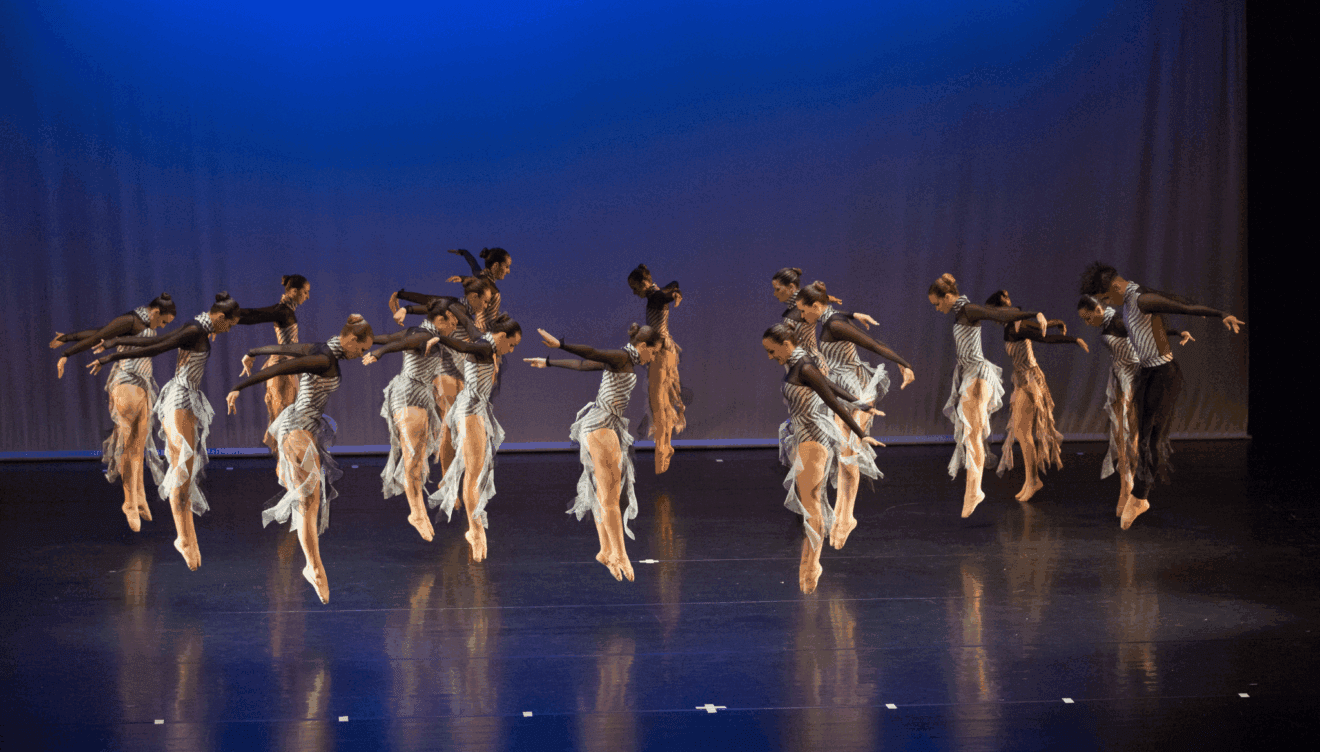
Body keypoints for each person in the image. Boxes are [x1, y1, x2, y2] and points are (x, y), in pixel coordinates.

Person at [1078, 263, 1243, 529]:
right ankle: (1138, 495)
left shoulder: (1141, 299)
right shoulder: (1129, 302)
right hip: (1147, 374)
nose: (1107, 304)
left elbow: (1183, 307)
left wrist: (1221, 314)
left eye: (1106, 298)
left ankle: (1140, 496)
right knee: (1142, 437)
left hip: (1164, 374)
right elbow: (1168, 306)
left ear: (1115, 287)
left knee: (1151, 439)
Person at [226, 314, 375, 603]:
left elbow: (287, 349)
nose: (361, 355)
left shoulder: (324, 348)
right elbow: (282, 366)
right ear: (350, 339)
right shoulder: (323, 358)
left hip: (306, 427)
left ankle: (313, 566)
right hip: (295, 427)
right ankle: (314, 568)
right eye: (362, 349)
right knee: (308, 499)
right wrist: (239, 387)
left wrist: (253, 351)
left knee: (312, 499)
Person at [90, 293, 242, 569]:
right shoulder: (195, 329)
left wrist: (115, 345)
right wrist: (114, 352)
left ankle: (186, 537)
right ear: (220, 317)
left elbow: (160, 340)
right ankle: (183, 538)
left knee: (186, 470)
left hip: (187, 399)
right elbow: (156, 346)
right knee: (181, 468)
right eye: (229, 325)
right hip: (179, 400)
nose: (229, 330)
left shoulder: (199, 327)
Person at [525, 324, 664, 581]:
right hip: (601, 424)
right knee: (611, 498)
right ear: (643, 346)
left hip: (604, 424)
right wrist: (560, 345)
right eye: (653, 352)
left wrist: (549, 362)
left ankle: (606, 550)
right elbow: (591, 353)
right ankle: (620, 554)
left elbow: (582, 366)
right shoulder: (622, 357)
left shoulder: (623, 361)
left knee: (604, 493)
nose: (653, 358)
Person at [762, 323, 883, 594]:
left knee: (812, 503)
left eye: (772, 351)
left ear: (786, 344)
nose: (770, 357)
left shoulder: (803, 366)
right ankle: (809, 560)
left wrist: (860, 433)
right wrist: (859, 403)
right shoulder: (798, 365)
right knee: (809, 502)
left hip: (814, 437)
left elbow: (830, 400)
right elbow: (828, 384)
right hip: (804, 434)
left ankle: (813, 563)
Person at [798, 282, 916, 548]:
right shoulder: (830, 319)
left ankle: (846, 516)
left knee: (848, 452)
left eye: (805, 311)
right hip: (841, 386)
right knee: (843, 454)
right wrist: (852, 313)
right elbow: (833, 314)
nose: (803, 317)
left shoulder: (834, 324)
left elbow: (872, 344)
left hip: (857, 387)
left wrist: (904, 364)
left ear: (816, 306)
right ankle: (842, 515)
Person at [50, 293, 177, 531]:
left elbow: (99, 332)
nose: (162, 326)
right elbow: (98, 336)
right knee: (128, 444)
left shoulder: (143, 323)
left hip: (144, 383)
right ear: (155, 312)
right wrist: (67, 353)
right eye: (163, 321)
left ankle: (139, 497)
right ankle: (129, 502)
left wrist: (67, 337)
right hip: (126, 380)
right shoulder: (131, 320)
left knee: (139, 446)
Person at [927, 274, 1046, 518]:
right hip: (970, 376)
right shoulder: (961, 312)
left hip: (978, 378)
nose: (937, 309)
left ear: (948, 297)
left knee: (972, 436)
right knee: (972, 435)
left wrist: (1035, 313)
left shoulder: (968, 309)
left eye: (937, 304)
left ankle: (974, 492)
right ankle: (973, 491)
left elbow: (998, 315)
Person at [362, 297, 469, 542]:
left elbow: (391, 337)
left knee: (418, 456)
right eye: (452, 322)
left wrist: (369, 341)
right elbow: (400, 343)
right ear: (439, 319)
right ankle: (417, 512)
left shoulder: (425, 332)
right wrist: (377, 352)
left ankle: (418, 510)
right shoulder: (423, 334)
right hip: (407, 393)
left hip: (421, 394)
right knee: (412, 456)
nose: (455, 326)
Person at [1077, 295, 1193, 516]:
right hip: (1118, 378)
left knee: (1132, 437)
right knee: (1120, 435)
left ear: (1099, 310)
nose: (1087, 323)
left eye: (1088, 317)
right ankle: (1125, 486)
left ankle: (1134, 489)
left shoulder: (1118, 321)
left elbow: (1146, 331)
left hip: (1132, 379)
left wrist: (1177, 332)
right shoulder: (1108, 323)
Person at [423, 313, 523, 561]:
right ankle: (475, 531)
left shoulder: (485, 341)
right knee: (474, 475)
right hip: (470, 411)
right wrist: (440, 339)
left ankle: (474, 528)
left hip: (473, 409)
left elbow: (467, 324)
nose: (511, 351)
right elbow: (463, 345)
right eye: (511, 344)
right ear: (501, 336)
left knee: (475, 472)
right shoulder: (483, 347)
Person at [984, 290, 1088, 502]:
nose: (994, 319)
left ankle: (1033, 481)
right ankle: (1031, 480)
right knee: (1021, 432)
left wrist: (1073, 339)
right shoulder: (1012, 326)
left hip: (1030, 380)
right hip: (1022, 379)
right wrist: (1057, 322)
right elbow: (1041, 328)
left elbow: (1045, 337)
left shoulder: (1017, 325)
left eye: (994, 313)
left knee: (1024, 433)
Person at [234, 275, 311, 449]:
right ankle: (285, 460)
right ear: (294, 291)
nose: (307, 296)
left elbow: (255, 314)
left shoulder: (286, 310)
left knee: (287, 414)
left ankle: (286, 460)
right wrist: (228, 316)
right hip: (282, 368)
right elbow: (255, 315)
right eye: (305, 292)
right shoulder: (282, 310)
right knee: (284, 414)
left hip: (288, 365)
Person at [626, 264, 685, 473]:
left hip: (662, 352)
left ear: (644, 283)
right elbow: (673, 284)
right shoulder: (656, 294)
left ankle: (663, 449)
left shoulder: (655, 297)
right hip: (664, 351)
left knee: (658, 403)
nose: (634, 293)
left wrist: (674, 294)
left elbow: (665, 296)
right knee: (660, 402)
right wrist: (675, 289)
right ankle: (665, 446)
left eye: (635, 288)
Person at [447, 248, 511, 322]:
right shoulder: (494, 291)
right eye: (506, 267)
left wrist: (463, 252)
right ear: (495, 266)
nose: (508, 271)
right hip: (460, 312)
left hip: (458, 305)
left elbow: (472, 262)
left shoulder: (479, 274)